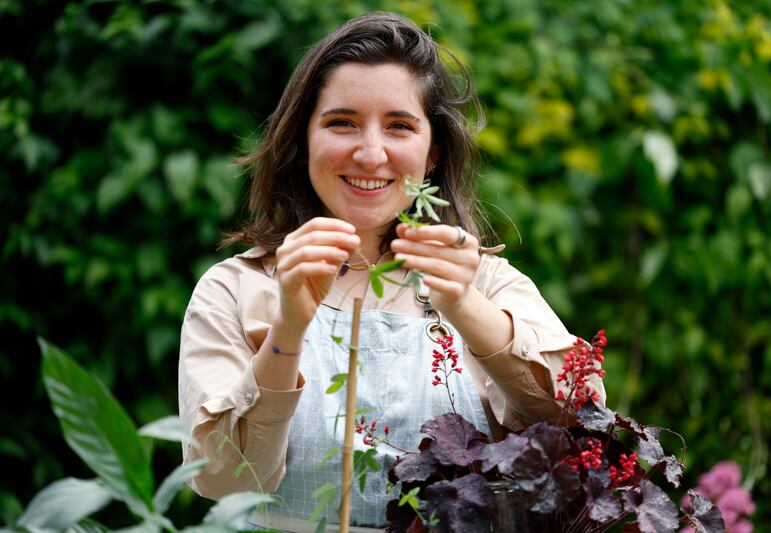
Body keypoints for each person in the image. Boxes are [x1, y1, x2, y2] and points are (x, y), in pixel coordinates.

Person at [178, 11, 605, 532]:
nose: (370, 152)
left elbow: (581, 428)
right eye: (342, 122)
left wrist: (466, 308)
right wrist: (288, 327)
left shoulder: (487, 283)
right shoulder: (235, 288)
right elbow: (224, 483)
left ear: (431, 155)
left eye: (400, 126)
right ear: (303, 139)